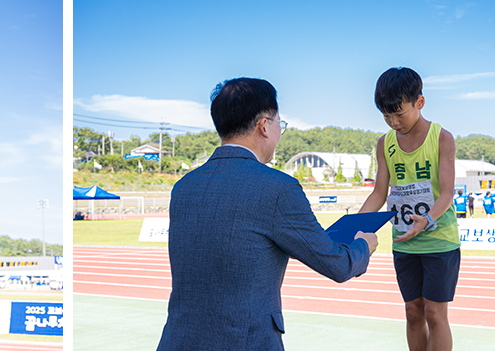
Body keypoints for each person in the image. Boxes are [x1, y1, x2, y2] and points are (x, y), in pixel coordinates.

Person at [156, 78, 378, 350]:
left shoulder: (183, 187)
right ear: (264, 126)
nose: (279, 133)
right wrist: (363, 246)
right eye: (279, 124)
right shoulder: (278, 187)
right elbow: (338, 265)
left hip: (177, 341)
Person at [358, 67, 460, 351]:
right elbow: (380, 192)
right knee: (413, 312)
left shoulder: (442, 138)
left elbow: (448, 193)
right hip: (404, 242)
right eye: (386, 115)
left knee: (435, 314)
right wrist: (354, 225)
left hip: (439, 239)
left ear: (420, 102)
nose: (393, 122)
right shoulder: (385, 144)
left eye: (399, 113)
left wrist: (427, 219)